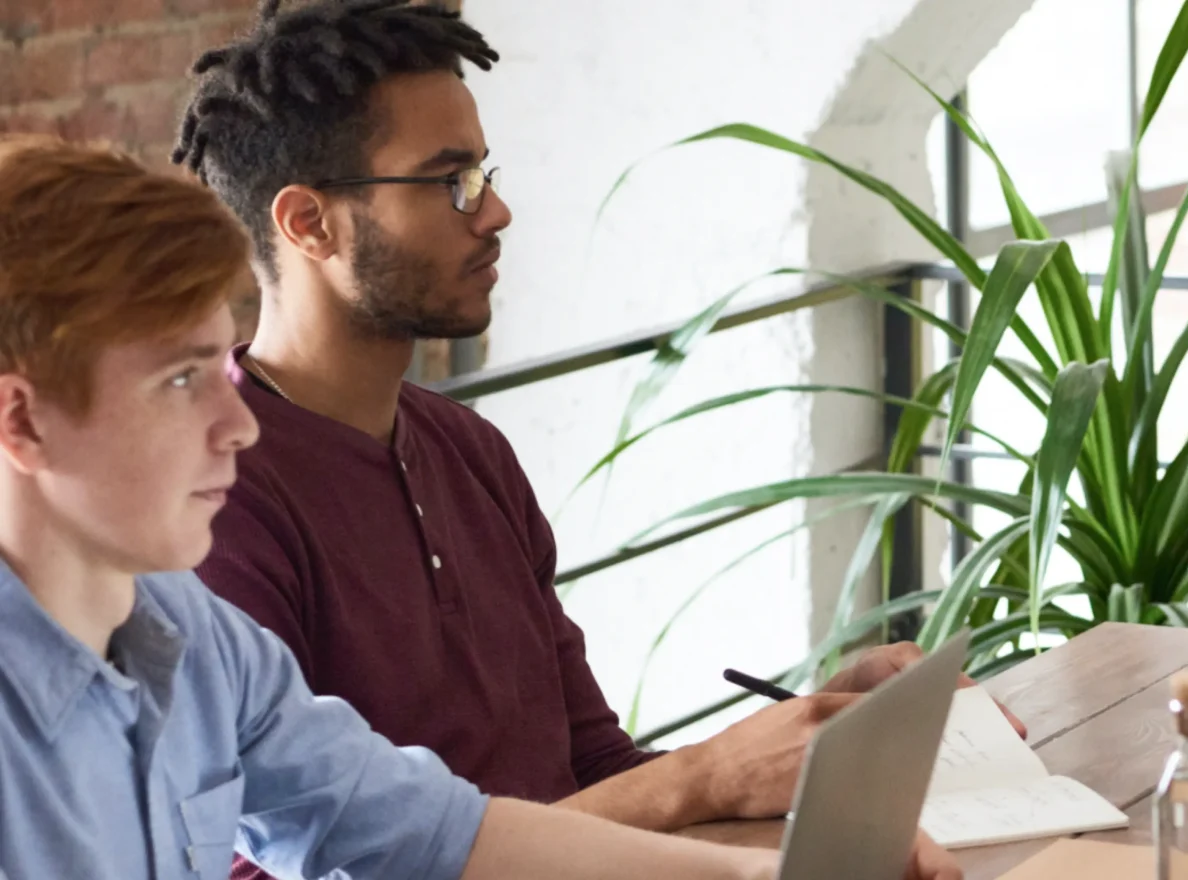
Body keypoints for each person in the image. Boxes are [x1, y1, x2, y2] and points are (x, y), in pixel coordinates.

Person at [166, 1, 996, 870]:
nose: (495, 214)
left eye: (484, 174)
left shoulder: (468, 450)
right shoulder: (215, 500)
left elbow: (593, 769)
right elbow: (264, 865)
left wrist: (810, 740)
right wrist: (706, 777)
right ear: (309, 224)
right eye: (450, 182)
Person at [0, 133, 849, 880]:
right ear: (23, 421)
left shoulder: (192, 632)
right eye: (181, 380)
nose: (235, 422)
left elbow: (432, 838)